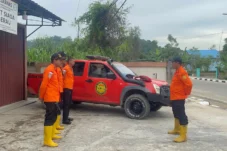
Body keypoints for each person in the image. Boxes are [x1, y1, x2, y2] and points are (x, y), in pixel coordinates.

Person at [39, 53, 63, 147]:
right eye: (59, 60)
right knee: (49, 118)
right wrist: (41, 96)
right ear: (54, 60)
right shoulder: (49, 70)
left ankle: (51, 135)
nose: (61, 61)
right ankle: (47, 140)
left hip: (54, 97)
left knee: (53, 117)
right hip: (49, 97)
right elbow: (44, 85)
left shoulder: (54, 69)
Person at [168, 56, 193, 143]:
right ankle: (177, 129)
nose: (172, 64)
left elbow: (189, 84)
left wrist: (185, 93)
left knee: (181, 115)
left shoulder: (182, 72)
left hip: (179, 97)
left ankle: (183, 135)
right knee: (176, 113)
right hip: (174, 97)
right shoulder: (177, 72)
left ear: (177, 63)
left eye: (173, 62)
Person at [62, 57, 75, 124]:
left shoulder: (71, 68)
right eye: (73, 61)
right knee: (66, 104)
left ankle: (67, 117)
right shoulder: (66, 68)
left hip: (70, 87)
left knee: (69, 103)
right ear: (69, 61)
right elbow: (62, 76)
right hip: (66, 88)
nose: (74, 62)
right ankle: (64, 119)